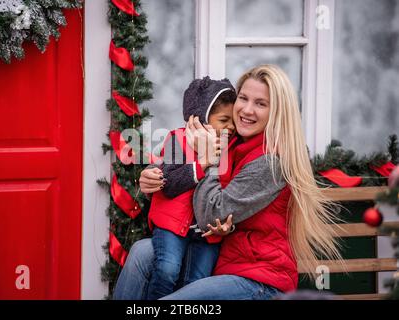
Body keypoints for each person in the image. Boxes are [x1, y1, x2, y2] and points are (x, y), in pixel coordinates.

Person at [114, 64, 343, 300]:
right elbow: (182, 160)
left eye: (261, 104)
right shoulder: (233, 142)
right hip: (223, 259)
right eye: (243, 98)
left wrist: (208, 160)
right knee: (142, 252)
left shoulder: (271, 161)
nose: (247, 110)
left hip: (257, 279)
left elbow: (212, 213)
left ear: (277, 112)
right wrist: (154, 174)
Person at [145, 76, 237, 300]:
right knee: (167, 271)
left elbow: (230, 192)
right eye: (224, 119)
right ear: (202, 118)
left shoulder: (232, 149)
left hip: (207, 233)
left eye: (233, 120)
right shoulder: (178, 139)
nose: (231, 127)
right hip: (172, 226)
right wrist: (203, 162)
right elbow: (169, 184)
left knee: (197, 284)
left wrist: (226, 223)